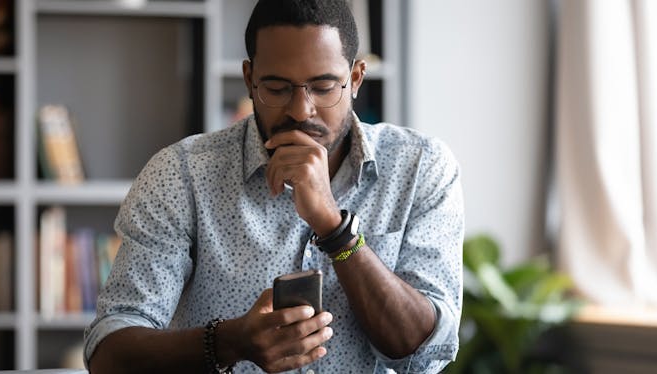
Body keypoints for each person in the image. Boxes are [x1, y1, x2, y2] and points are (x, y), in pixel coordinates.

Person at [84, 0, 464, 372]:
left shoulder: (419, 167)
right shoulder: (182, 175)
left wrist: (335, 229)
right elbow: (109, 353)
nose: (301, 110)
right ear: (250, 79)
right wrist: (230, 342)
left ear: (356, 79)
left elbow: (425, 351)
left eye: (324, 86)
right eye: (277, 88)